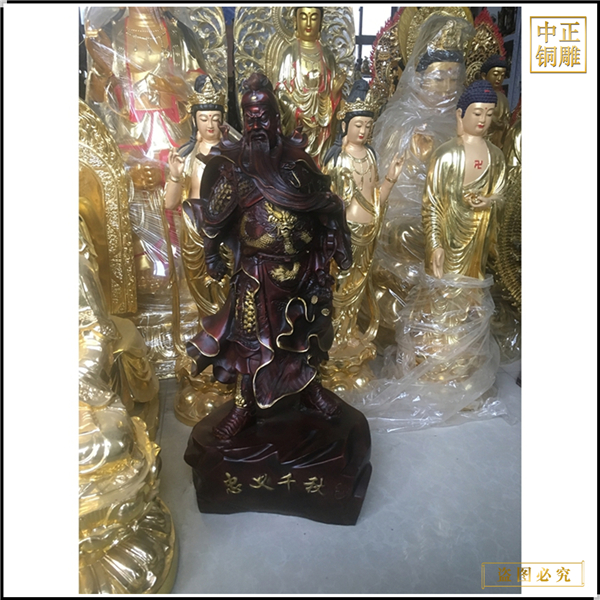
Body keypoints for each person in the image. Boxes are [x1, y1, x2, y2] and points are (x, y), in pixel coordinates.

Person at [183, 73, 352, 439]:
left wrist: (336, 244)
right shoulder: (236, 169)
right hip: (256, 275)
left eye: (264, 115)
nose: (257, 123)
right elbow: (214, 218)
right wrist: (212, 256)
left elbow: (324, 205)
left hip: (302, 271)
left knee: (304, 338)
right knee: (249, 345)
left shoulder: (298, 164)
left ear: (277, 118)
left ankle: (311, 392)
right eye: (250, 116)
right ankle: (243, 407)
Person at [370, 15, 475, 346]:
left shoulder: (464, 123)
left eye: (454, 79)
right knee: (400, 233)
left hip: (448, 212)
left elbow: (473, 175)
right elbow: (385, 183)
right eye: (439, 78)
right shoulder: (400, 120)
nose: (447, 87)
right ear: (419, 78)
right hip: (406, 214)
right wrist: (418, 156)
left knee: (468, 233)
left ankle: (445, 318)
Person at [320, 79, 403, 390]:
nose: (363, 131)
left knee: (359, 284)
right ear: (345, 125)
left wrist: (391, 179)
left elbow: (376, 196)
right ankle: (333, 334)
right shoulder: (338, 159)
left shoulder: (371, 156)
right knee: (340, 286)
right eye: (358, 124)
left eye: (368, 125)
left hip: (368, 229)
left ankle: (349, 331)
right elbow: (327, 202)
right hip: (345, 232)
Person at [274, 6, 346, 164]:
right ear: (295, 21)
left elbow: (332, 90)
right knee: (297, 160)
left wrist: (335, 93)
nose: (308, 23)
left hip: (323, 120)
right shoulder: (289, 53)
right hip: (298, 121)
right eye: (303, 17)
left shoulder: (327, 56)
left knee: (322, 161)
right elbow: (280, 90)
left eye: (313, 17)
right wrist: (296, 111)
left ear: (320, 23)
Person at [480, 54, 510, 149]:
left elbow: (507, 117)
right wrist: (492, 121)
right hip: (483, 137)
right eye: (496, 74)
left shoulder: (502, 97)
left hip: (498, 138)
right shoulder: (480, 94)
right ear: (484, 76)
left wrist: (504, 123)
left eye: (502, 75)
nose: (499, 78)